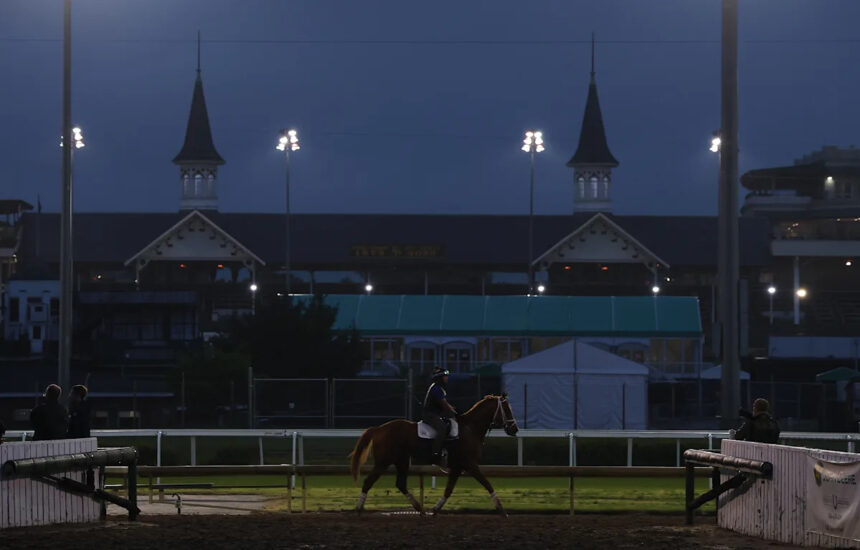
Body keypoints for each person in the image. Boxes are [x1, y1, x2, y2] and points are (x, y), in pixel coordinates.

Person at [422, 366, 457, 466]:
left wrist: (454, 410)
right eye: (445, 376)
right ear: (439, 378)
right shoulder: (436, 389)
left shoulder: (438, 388)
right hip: (430, 415)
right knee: (442, 428)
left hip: (434, 414)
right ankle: (435, 454)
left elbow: (446, 404)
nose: (447, 378)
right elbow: (444, 405)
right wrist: (454, 414)